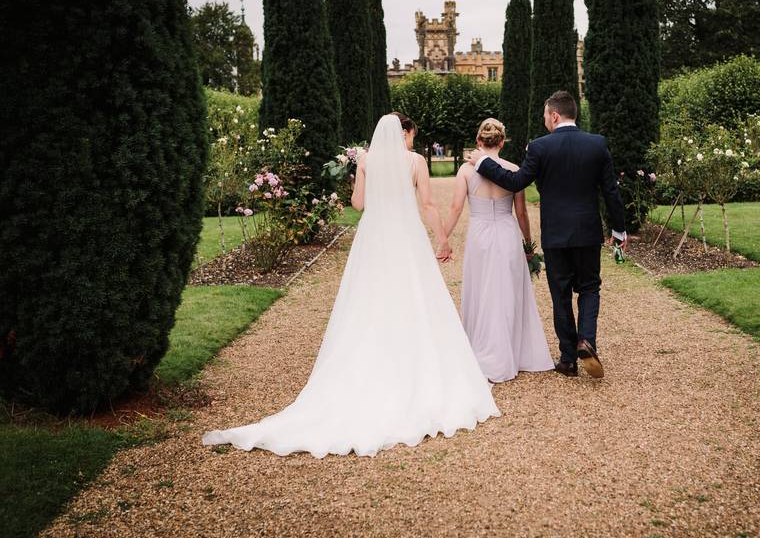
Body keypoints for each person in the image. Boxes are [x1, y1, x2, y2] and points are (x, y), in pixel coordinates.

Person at [203, 113, 499, 458]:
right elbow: (428, 204)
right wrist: (442, 238)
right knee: (414, 298)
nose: (412, 141)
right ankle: (411, 365)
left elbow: (358, 204)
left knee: (369, 300)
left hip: (374, 236)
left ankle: (370, 361)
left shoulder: (366, 160)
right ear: (404, 133)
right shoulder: (415, 161)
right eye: (411, 135)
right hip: (405, 237)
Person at [467, 91, 626, 379]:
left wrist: (482, 162)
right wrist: (618, 229)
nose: (544, 121)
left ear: (554, 115)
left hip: (556, 235)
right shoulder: (597, 144)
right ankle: (586, 340)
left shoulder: (539, 147)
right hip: (588, 232)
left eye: (544, 116)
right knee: (590, 288)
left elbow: (515, 181)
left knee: (561, 293)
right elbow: (611, 192)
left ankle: (568, 360)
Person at [443, 118, 554, 383]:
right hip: (506, 233)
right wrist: (527, 243)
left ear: (479, 141)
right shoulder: (513, 169)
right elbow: (521, 213)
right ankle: (512, 352)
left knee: (482, 289)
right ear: (502, 142)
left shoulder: (466, 172)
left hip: (480, 235)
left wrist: (443, 239)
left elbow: (455, 208)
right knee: (507, 289)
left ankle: (481, 347)